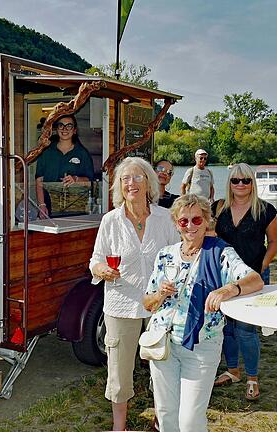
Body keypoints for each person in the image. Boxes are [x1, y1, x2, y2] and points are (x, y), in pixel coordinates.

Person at [143, 193, 263, 432]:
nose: (190, 226)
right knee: (166, 415)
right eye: (183, 221)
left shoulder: (219, 253)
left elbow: (255, 280)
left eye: (196, 220)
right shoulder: (165, 254)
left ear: (207, 221)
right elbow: (147, 303)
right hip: (163, 343)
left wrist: (229, 289)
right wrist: (160, 295)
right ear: (176, 223)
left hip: (201, 345)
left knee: (190, 421)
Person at [89, 157, 178, 431]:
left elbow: (179, 256)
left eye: (138, 177)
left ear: (149, 182)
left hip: (159, 305)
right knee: (119, 370)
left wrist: (172, 280)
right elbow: (95, 260)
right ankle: (120, 426)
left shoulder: (165, 218)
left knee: (163, 365)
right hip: (120, 304)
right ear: (119, 186)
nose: (131, 183)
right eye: (126, 179)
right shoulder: (110, 221)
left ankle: (161, 419)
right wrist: (102, 269)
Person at [211, 163, 277, 401]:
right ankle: (232, 370)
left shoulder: (265, 209)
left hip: (254, 278)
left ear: (252, 182)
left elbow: (273, 242)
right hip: (225, 277)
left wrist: (262, 267)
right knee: (227, 328)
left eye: (246, 180)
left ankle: (252, 377)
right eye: (235, 180)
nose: (240, 184)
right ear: (229, 183)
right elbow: (211, 238)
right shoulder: (219, 208)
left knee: (246, 330)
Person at [34, 114, 95, 218]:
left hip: (76, 209)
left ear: (74, 130)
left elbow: (90, 181)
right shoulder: (46, 152)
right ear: (56, 129)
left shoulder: (82, 153)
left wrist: (76, 179)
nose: (65, 129)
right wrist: (42, 205)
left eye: (69, 126)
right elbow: (39, 180)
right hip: (49, 208)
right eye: (61, 125)